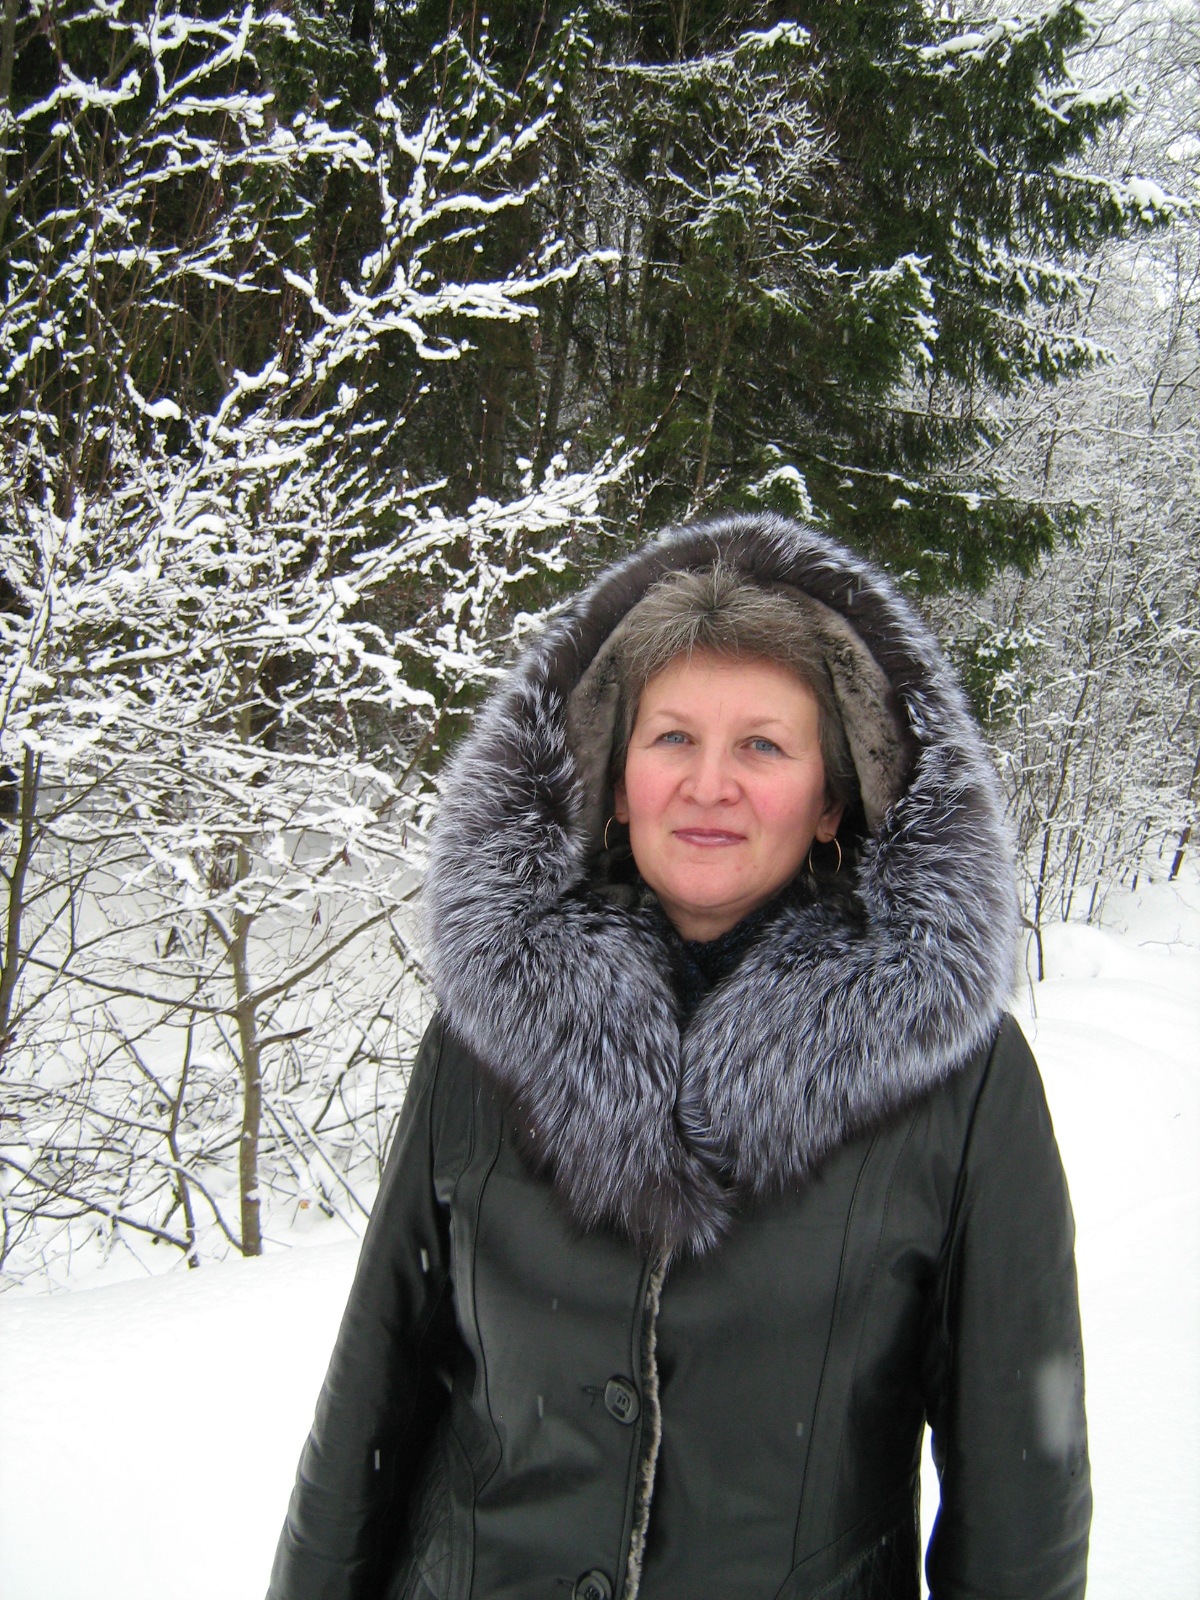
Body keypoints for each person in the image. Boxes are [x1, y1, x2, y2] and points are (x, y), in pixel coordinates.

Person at [267, 513, 1090, 1600]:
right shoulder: (484, 1033)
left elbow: (1022, 1496)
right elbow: (372, 1397)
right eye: (671, 740)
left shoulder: (957, 1074)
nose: (710, 784)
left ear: (831, 800)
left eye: (763, 746)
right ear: (616, 783)